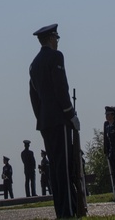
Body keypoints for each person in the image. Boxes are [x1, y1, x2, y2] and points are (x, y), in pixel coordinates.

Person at [29, 24, 81, 219]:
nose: (57, 41)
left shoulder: (33, 64)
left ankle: (62, 210)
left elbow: (34, 97)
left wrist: (42, 117)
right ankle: (68, 211)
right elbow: (61, 89)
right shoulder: (56, 57)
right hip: (60, 120)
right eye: (56, 38)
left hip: (45, 122)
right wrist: (71, 114)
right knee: (65, 168)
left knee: (56, 168)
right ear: (51, 38)